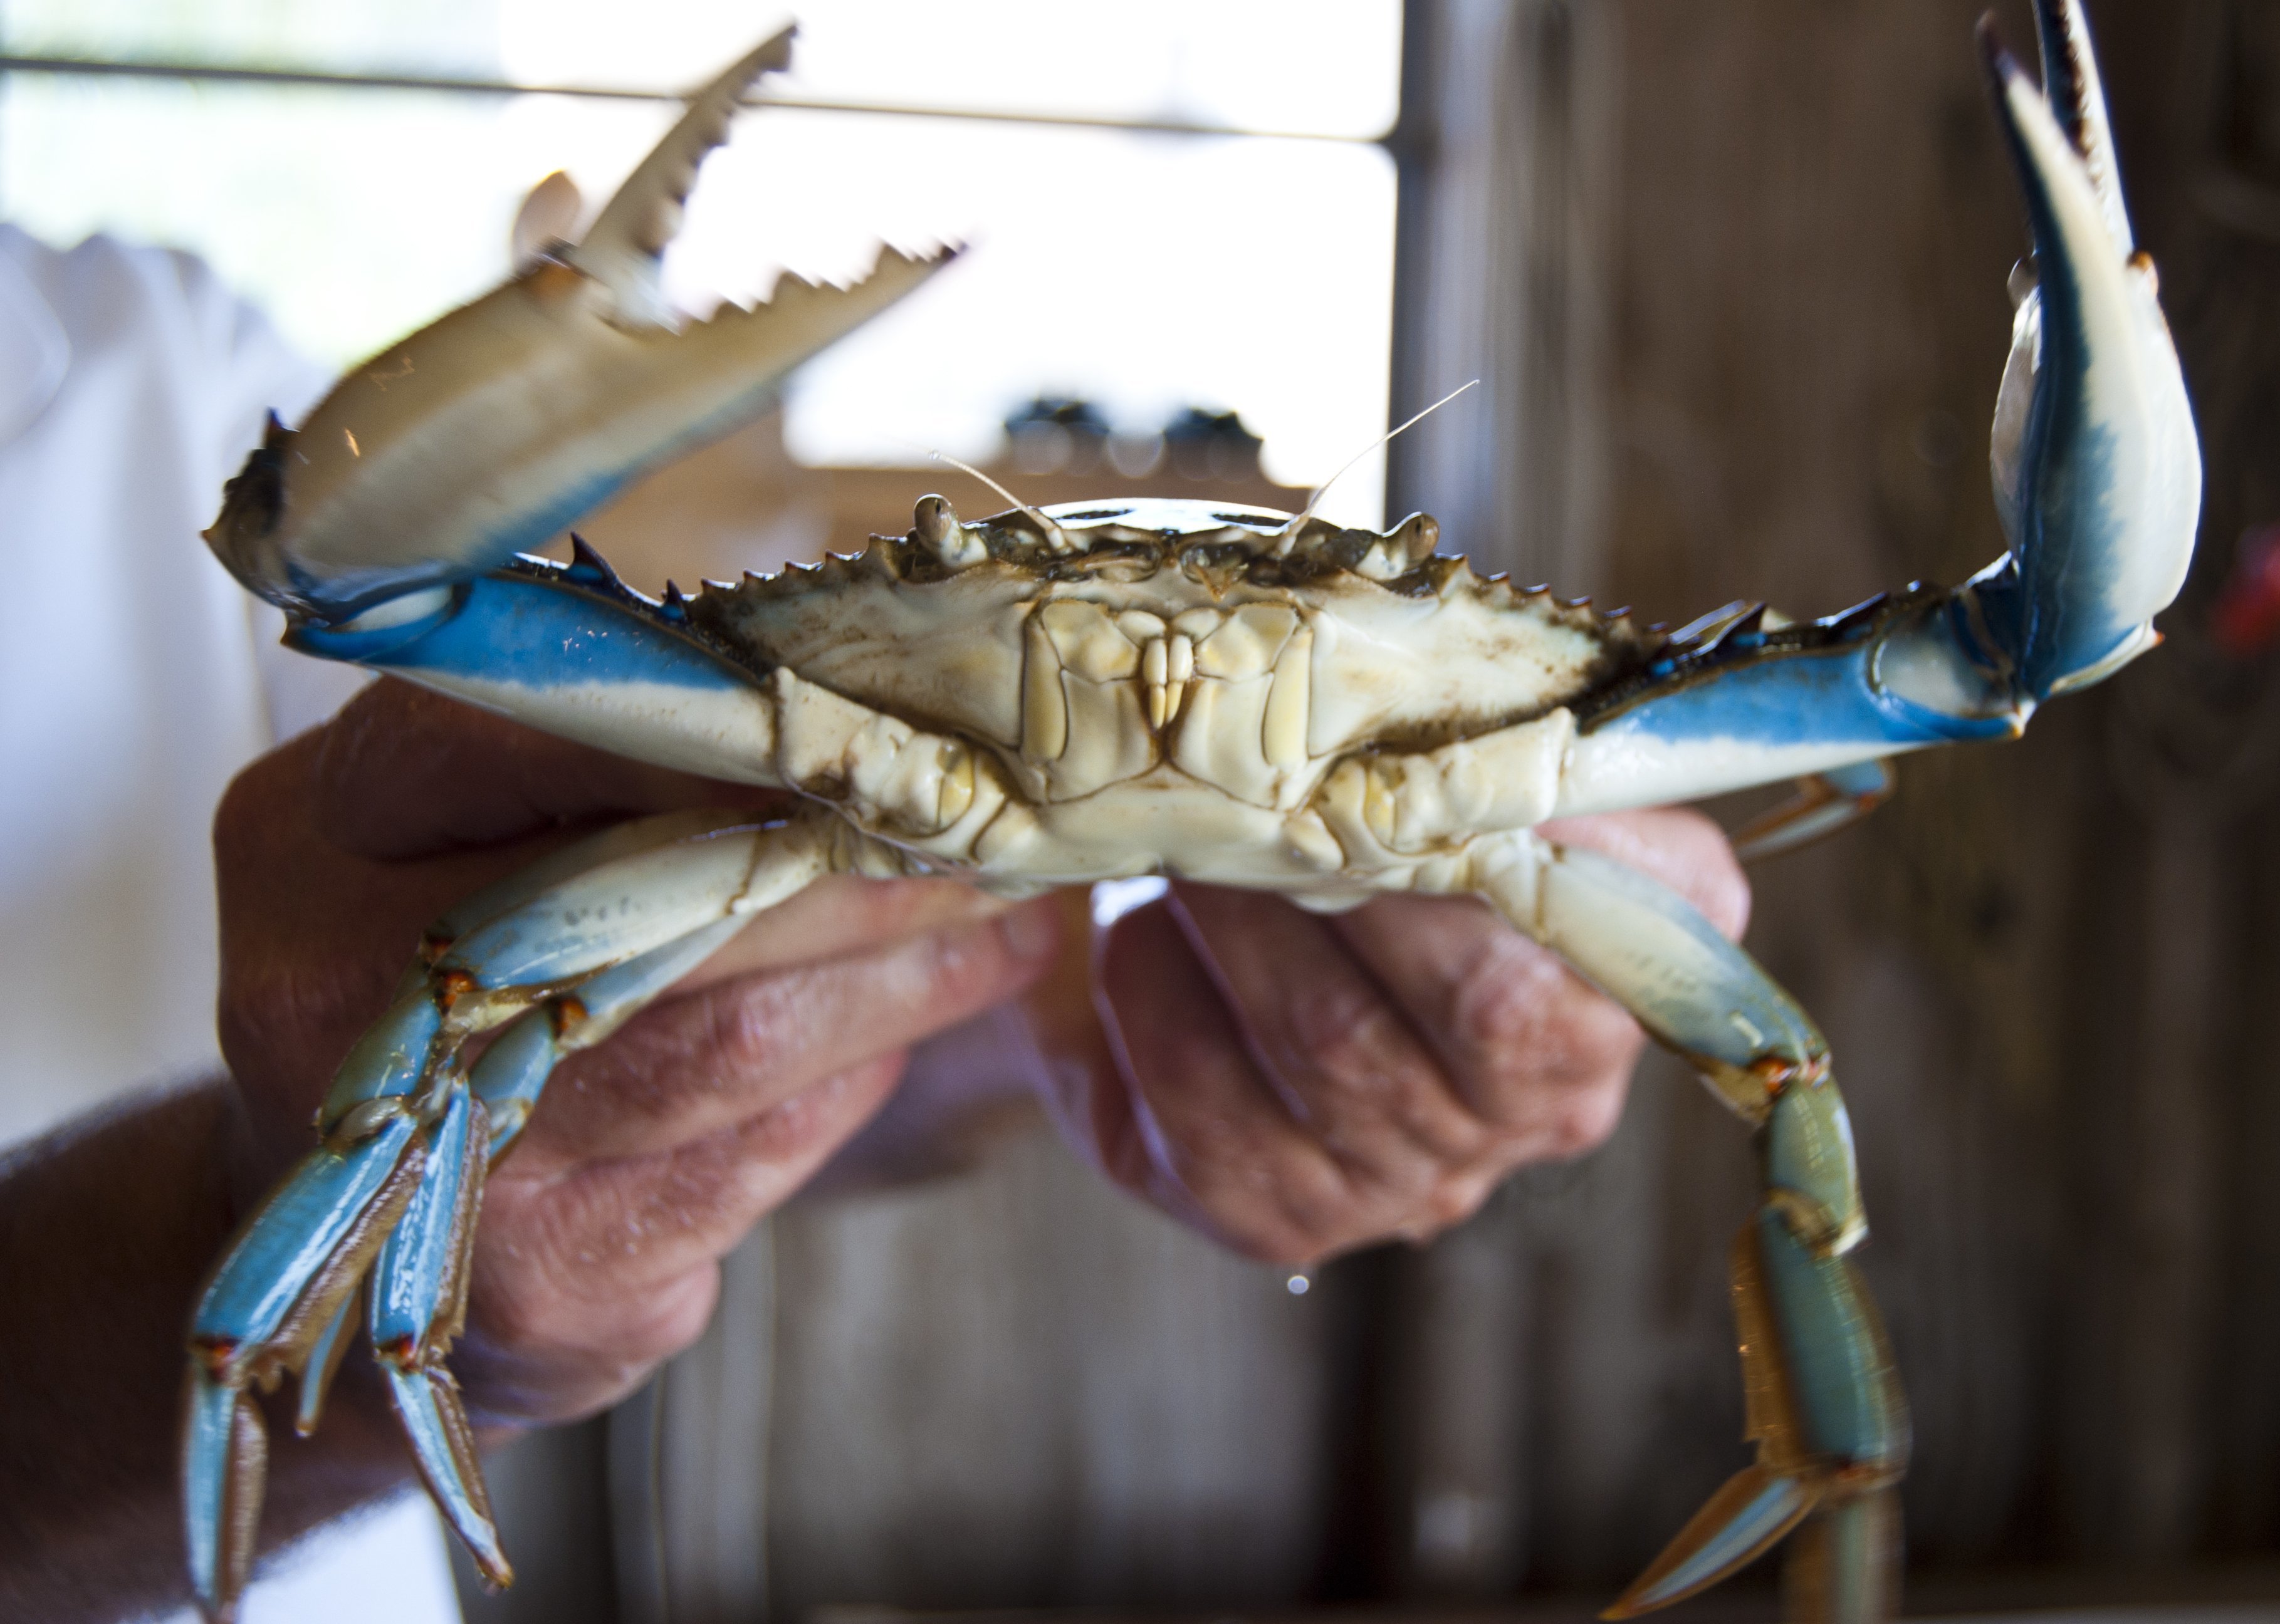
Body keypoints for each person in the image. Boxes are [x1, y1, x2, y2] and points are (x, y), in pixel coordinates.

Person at [0, 224, 1750, 1623]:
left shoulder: (148, 346)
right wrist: (258, 1226)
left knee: (1781, 1080)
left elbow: (627, 994)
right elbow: (461, 945)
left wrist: (1100, 1025)